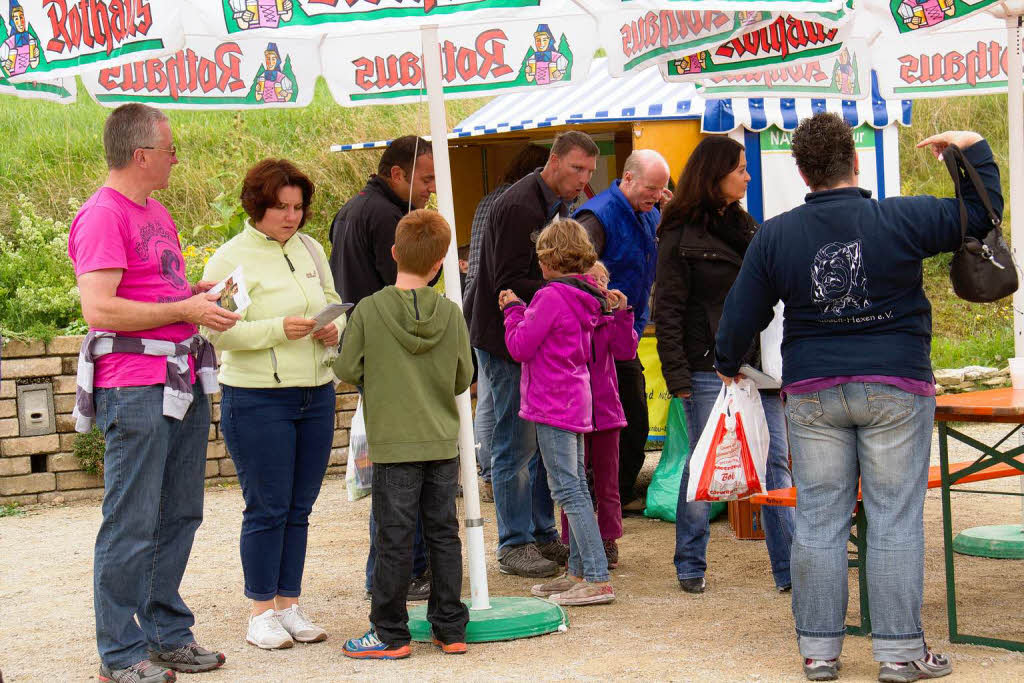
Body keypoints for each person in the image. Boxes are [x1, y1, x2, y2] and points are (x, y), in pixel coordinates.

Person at [713, 114, 1002, 682]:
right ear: (856, 162)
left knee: (820, 519)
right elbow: (982, 212)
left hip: (814, 389)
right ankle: (899, 655)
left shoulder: (776, 234)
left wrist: (728, 364)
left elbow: (741, 315)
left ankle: (820, 652)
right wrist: (971, 150)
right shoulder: (902, 217)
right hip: (896, 382)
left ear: (801, 171)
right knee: (894, 519)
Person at [68, 103, 237, 683]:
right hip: (135, 385)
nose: (174, 157)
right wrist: (185, 308)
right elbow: (100, 308)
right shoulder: (101, 216)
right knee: (132, 519)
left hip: (178, 378)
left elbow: (151, 290)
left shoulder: (155, 212)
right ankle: (119, 654)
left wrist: (196, 294)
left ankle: (165, 634)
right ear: (141, 155)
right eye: (169, 149)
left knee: (180, 513)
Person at [202, 159, 341, 650]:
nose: (291, 217)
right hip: (257, 398)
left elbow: (333, 300)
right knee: (267, 507)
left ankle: (289, 606)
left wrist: (332, 329)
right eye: (281, 207)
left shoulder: (311, 249)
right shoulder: (230, 259)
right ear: (257, 206)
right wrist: (276, 329)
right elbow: (214, 329)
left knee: (300, 507)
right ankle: (260, 612)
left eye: (298, 207)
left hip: (316, 393)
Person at [653, 136, 794, 596]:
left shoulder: (747, 227)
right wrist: (677, 377)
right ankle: (690, 563)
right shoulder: (678, 233)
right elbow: (668, 309)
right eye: (739, 168)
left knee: (774, 461)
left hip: (757, 364)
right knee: (704, 464)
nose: (747, 175)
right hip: (705, 366)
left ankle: (790, 569)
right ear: (715, 175)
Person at [335, 209, 473, 659]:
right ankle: (450, 628)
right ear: (440, 263)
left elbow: (346, 368)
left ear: (394, 253)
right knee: (443, 534)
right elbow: (462, 377)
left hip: (393, 443)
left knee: (394, 537)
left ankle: (390, 634)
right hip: (441, 441)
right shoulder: (451, 314)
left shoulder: (371, 310)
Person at [469, 130, 599, 577]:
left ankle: (543, 534)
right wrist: (568, 288)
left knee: (541, 446)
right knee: (515, 444)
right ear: (555, 161)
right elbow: (505, 280)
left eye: (589, 173)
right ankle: (514, 543)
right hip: (504, 337)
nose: (583, 181)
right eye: (578, 169)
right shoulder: (520, 204)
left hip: (529, 334)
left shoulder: (553, 203)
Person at [330, 135, 435, 601]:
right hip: (393, 356)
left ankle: (398, 570)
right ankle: (401, 573)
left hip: (367, 346)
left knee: (395, 473)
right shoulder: (392, 219)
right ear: (397, 174)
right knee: (403, 474)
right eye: (427, 178)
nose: (433, 188)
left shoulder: (350, 209)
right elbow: (404, 295)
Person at [500, 219, 618, 606]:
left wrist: (513, 311)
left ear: (548, 260)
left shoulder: (550, 297)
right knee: (577, 486)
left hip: (552, 402)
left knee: (567, 489)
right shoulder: (586, 294)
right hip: (576, 398)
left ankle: (597, 577)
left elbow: (520, 346)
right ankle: (579, 572)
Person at [574, 149, 670, 515]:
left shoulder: (648, 212)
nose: (657, 196)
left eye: (662, 190)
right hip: (598, 336)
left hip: (626, 330)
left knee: (633, 417)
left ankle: (617, 492)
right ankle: (603, 495)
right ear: (627, 178)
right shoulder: (596, 216)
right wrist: (602, 304)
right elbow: (574, 270)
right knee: (618, 418)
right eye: (652, 188)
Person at [465, 143, 549, 502]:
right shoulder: (519, 205)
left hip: (476, 300)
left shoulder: (489, 200)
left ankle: (485, 469)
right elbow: (508, 277)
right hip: (498, 312)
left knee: (489, 399)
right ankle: (490, 473)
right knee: (506, 417)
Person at [557, 261, 638, 569]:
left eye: (604, 280)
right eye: (595, 281)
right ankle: (571, 540)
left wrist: (622, 312)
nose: (601, 286)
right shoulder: (574, 317)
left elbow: (626, 351)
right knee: (573, 480)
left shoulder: (611, 320)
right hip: (575, 411)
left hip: (606, 413)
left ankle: (608, 537)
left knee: (607, 483)